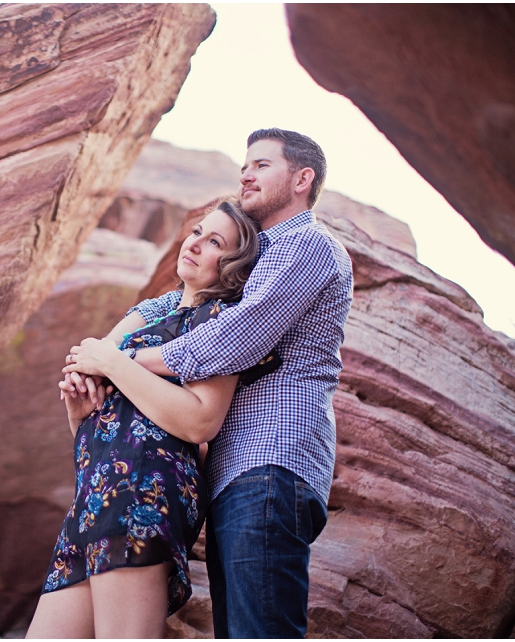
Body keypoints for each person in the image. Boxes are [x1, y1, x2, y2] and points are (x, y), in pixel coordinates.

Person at [81, 128, 354, 638]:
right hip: (237, 471)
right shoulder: (255, 260)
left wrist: (126, 361)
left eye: (262, 165)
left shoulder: (308, 246)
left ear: (302, 178)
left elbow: (239, 337)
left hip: (274, 459)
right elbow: (184, 306)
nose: (246, 174)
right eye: (244, 166)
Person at [25, 198, 263, 639]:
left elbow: (200, 423)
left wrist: (113, 363)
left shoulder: (220, 320)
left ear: (234, 266)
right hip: (94, 498)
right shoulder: (154, 319)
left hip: (141, 496)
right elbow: (112, 433)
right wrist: (79, 412)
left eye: (215, 242)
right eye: (197, 232)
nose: (195, 243)